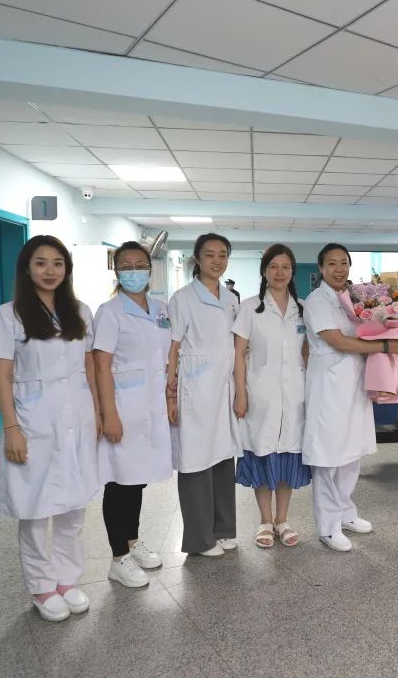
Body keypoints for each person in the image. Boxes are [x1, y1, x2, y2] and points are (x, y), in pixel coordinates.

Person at [0, 235, 101, 622]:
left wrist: (97, 412)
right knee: (35, 508)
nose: (50, 271)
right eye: (41, 263)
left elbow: (88, 367)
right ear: (27, 268)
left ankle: (68, 580)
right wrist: (12, 428)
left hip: (77, 419)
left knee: (73, 507)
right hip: (33, 421)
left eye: (57, 263)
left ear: (67, 269)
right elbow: (2, 376)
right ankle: (41, 586)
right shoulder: (10, 315)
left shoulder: (79, 311)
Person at [303, 243, 398, 551]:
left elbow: (367, 329)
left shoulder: (353, 298)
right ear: (321, 268)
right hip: (328, 387)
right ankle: (328, 526)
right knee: (328, 458)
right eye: (332, 263)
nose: (339, 269)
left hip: (354, 383)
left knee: (351, 453)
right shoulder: (317, 301)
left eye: (344, 263)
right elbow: (339, 342)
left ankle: (346, 513)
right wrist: (386, 347)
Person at [93, 241, 173, 588]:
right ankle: (118, 558)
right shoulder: (109, 312)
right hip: (123, 407)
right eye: (126, 266)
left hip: (151, 407)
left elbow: (166, 355)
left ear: (150, 269)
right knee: (119, 482)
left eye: (140, 265)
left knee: (136, 479)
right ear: (116, 271)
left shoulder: (161, 309)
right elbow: (101, 365)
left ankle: (132, 541)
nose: (134, 271)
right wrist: (108, 414)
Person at [167, 233, 241, 558]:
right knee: (196, 460)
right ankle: (200, 539)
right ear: (197, 259)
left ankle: (223, 529)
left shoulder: (231, 298)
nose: (216, 261)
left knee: (223, 457)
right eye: (209, 254)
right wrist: (170, 395)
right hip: (195, 388)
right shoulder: (182, 298)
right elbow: (173, 347)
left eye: (222, 255)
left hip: (224, 387)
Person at [232, 244, 311, 548]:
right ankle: (265, 521)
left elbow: (308, 353)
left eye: (286, 267)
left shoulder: (302, 308)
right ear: (264, 271)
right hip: (260, 395)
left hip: (295, 395)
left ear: (292, 272)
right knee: (263, 454)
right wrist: (241, 394)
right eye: (274, 267)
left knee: (288, 455)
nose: (280, 273)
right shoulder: (250, 308)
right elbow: (239, 354)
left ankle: (283, 520)